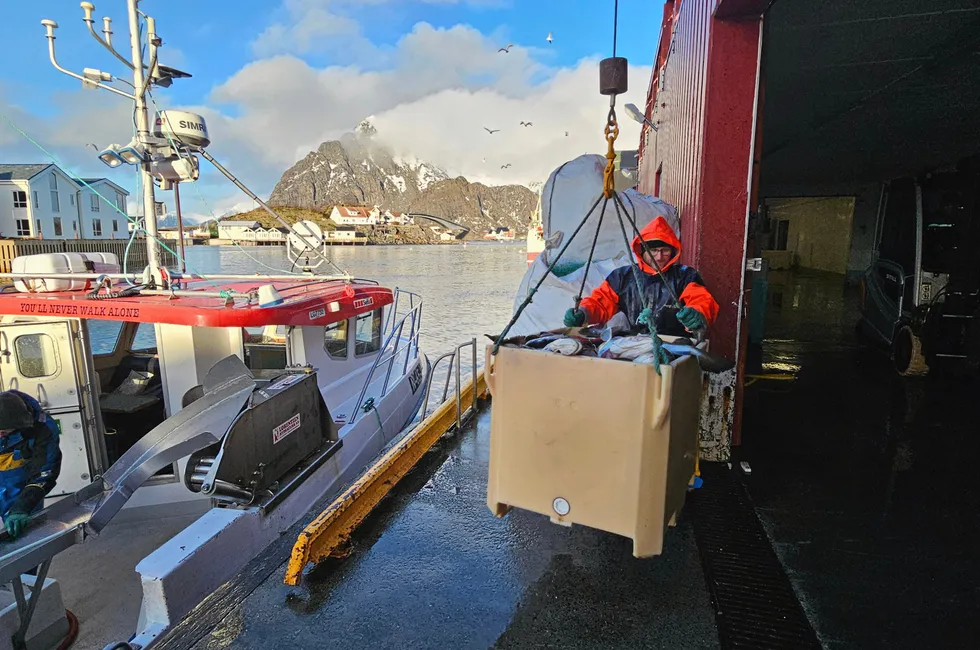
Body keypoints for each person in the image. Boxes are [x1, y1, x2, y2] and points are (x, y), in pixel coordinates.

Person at [564, 216, 719, 336]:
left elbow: (701, 300)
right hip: (636, 341)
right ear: (642, 251)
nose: (659, 257)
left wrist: (697, 314)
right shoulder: (622, 277)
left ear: (673, 251)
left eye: (665, 250)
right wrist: (584, 313)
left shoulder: (685, 276)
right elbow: (600, 304)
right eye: (653, 251)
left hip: (677, 344)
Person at [0, 390, 62, 539]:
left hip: (21, 488)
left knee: (23, 534)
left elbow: (44, 472)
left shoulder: (43, 428)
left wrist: (21, 508)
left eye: (3, 432)